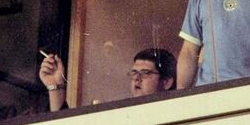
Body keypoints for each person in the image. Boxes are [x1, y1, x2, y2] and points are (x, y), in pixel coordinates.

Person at [38, 48, 175, 112]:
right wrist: (55, 86)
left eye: (145, 73)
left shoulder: (173, 113)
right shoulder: (122, 113)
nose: (136, 79)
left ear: (166, 82)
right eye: (134, 72)